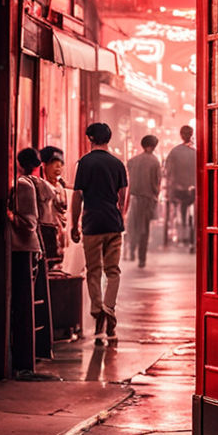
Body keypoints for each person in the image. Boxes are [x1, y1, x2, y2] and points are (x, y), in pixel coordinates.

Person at [70, 122, 128, 347]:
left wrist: (74, 225)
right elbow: (123, 195)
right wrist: (120, 215)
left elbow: (78, 195)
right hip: (113, 224)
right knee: (112, 271)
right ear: (108, 139)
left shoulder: (85, 163)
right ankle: (109, 307)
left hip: (92, 224)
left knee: (93, 270)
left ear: (90, 138)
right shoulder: (117, 164)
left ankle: (98, 310)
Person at [8, 147, 44, 373]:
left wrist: (9, 214)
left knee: (22, 305)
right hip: (26, 249)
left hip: (23, 249)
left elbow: (29, 223)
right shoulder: (31, 183)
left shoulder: (23, 185)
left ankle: (23, 358)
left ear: (18, 163)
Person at [125, 135, 161, 269]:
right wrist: (155, 196)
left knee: (132, 226)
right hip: (147, 200)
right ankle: (141, 258)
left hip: (134, 198)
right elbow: (156, 183)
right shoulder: (155, 162)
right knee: (144, 230)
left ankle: (131, 251)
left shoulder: (132, 161)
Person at [164, 125, 197, 249]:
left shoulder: (174, 152)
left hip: (177, 190)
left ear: (181, 135)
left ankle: (181, 237)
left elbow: (167, 171)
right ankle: (191, 239)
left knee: (178, 212)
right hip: (193, 190)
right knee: (191, 214)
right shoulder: (195, 152)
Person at [36, 145, 67, 266]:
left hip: (60, 236)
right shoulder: (41, 187)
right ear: (44, 166)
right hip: (46, 233)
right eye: (54, 162)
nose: (58, 166)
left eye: (61, 163)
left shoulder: (61, 187)